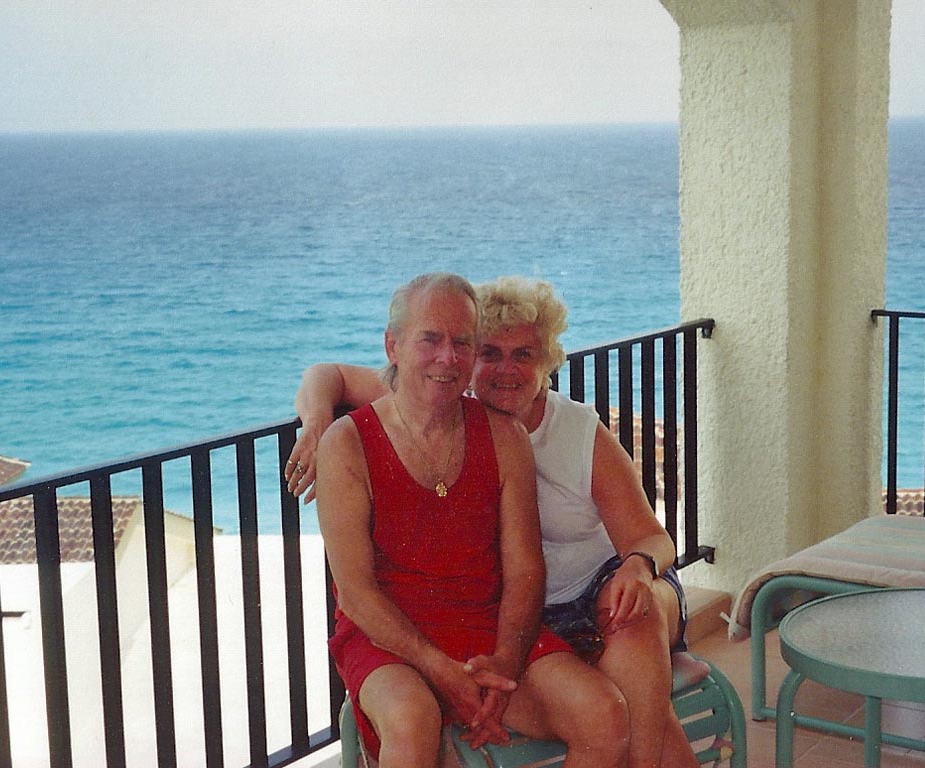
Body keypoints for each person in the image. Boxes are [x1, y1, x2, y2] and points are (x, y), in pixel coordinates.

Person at [289, 276, 705, 768]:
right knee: (412, 719)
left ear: (545, 361)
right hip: (403, 632)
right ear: (393, 347)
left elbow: (531, 568)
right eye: (435, 339)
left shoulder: (524, 433)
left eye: (462, 343)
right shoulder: (359, 434)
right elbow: (356, 594)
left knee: (609, 709)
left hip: (534, 608)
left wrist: (505, 667)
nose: (449, 357)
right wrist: (315, 419)